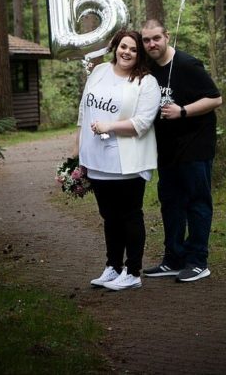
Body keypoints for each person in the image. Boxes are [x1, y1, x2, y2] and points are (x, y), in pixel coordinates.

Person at [76, 29, 161, 291]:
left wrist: (109, 127)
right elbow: (83, 111)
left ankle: (132, 271)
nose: (127, 52)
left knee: (130, 215)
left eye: (134, 50)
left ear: (140, 55)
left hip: (127, 163)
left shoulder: (146, 83)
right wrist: (78, 156)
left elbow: (142, 123)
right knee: (109, 216)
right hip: (96, 160)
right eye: (124, 47)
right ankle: (112, 267)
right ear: (116, 47)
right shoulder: (99, 71)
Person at [141, 19, 222, 282]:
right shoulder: (150, 69)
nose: (151, 44)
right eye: (146, 40)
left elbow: (215, 98)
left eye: (156, 38)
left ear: (167, 36)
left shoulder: (188, 64)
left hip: (195, 146)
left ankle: (198, 261)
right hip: (166, 149)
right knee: (171, 204)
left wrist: (183, 111)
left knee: (197, 202)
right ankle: (173, 259)